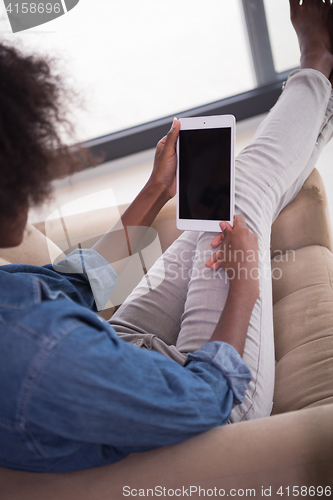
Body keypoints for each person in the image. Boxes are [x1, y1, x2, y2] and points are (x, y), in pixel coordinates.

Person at [0, 0, 332, 473]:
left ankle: (320, 81)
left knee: (214, 214)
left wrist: (156, 190)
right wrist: (246, 283)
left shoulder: (22, 322)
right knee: (239, 204)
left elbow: (74, 288)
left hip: (116, 361)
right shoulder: (36, 351)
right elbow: (203, 396)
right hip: (200, 408)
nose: (29, 191)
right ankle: (317, 61)